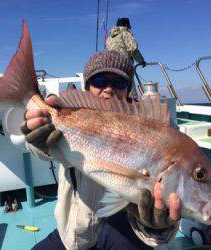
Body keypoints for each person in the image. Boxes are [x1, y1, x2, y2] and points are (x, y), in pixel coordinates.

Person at [21, 50, 180, 250]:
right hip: (75, 234)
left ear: (128, 89)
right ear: (86, 88)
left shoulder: (152, 126)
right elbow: (45, 150)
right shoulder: (70, 117)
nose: (108, 89)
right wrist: (37, 136)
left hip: (127, 229)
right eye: (100, 81)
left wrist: (158, 227)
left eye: (118, 83)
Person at [106, 17, 146, 99]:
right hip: (124, 66)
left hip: (111, 67)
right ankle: (131, 106)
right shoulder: (125, 33)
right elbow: (133, 49)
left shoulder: (109, 38)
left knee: (116, 89)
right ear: (127, 25)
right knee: (130, 92)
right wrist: (141, 61)